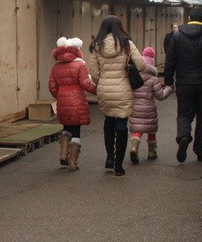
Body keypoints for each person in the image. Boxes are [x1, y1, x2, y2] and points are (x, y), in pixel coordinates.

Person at [163, 5, 202, 163]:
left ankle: (184, 135)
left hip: (184, 82)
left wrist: (169, 81)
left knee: (184, 114)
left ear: (189, 18)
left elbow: (170, 61)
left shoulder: (177, 36)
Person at [88, 15, 146, 176]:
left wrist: (104, 80)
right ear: (119, 27)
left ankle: (109, 157)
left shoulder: (96, 46)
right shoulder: (127, 44)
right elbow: (141, 66)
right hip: (123, 90)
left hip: (104, 90)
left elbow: (94, 75)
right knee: (121, 124)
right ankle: (118, 166)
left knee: (108, 122)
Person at [48, 37, 97, 171]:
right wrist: (97, 90)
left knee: (66, 126)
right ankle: (73, 163)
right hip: (77, 101)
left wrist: (60, 96)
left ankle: (63, 154)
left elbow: (52, 87)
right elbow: (85, 84)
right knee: (76, 130)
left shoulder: (56, 67)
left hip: (62, 101)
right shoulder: (80, 65)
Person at [128, 46, 173, 164]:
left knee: (138, 129)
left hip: (135, 108)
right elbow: (160, 96)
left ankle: (134, 146)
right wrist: (168, 89)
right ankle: (152, 152)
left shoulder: (134, 77)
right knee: (151, 130)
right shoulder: (153, 79)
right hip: (150, 110)